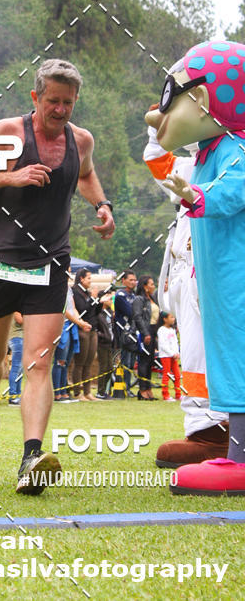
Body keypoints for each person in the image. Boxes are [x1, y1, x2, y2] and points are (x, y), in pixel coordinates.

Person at [0, 58, 115, 493]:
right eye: (52, 101)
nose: (60, 109)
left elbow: (86, 174)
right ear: (35, 97)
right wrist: (13, 176)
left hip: (50, 260)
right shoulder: (8, 133)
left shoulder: (81, 140)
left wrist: (102, 205)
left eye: (68, 102)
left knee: (39, 360)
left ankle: (31, 457)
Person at [145, 39, 245, 494]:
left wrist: (197, 196)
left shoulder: (230, 150)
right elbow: (161, 163)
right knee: (211, 354)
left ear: (204, 99)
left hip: (225, 276)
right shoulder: (204, 155)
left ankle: (220, 438)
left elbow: (232, 187)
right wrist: (157, 131)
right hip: (201, 274)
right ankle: (214, 437)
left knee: (225, 352)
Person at [143, 121, 228, 467]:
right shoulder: (194, 163)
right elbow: (156, 159)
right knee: (194, 354)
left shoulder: (230, 158)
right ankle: (204, 429)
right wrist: (159, 127)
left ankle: (214, 432)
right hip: (186, 275)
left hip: (212, 273)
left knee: (203, 355)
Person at [71, 268, 101, 401]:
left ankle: (88, 392)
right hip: (82, 330)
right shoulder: (75, 292)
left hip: (93, 329)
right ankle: (77, 392)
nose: (90, 281)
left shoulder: (87, 293)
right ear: (81, 279)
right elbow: (82, 310)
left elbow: (94, 311)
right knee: (80, 362)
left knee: (89, 362)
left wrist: (98, 301)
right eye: (88, 278)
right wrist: (92, 299)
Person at [113, 269, 138, 395]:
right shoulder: (120, 296)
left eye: (135, 280)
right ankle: (123, 387)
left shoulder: (134, 296)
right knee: (125, 361)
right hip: (123, 332)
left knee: (131, 361)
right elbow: (131, 312)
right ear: (123, 280)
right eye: (131, 280)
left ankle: (128, 387)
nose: (133, 282)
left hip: (133, 332)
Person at [133, 275, 157, 400]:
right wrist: (145, 333)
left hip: (153, 331)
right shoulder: (139, 299)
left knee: (150, 361)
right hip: (145, 331)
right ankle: (142, 390)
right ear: (145, 286)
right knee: (144, 361)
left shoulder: (152, 298)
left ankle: (148, 388)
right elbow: (138, 317)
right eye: (151, 284)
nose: (153, 286)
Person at [95, 289, 115, 399]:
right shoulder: (98, 313)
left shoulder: (110, 312)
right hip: (102, 343)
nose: (111, 300)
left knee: (110, 368)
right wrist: (102, 336)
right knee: (103, 367)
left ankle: (105, 390)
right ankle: (100, 391)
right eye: (109, 298)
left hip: (109, 343)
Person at [157, 311, 182, 402]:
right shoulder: (161, 330)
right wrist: (171, 353)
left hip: (174, 356)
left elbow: (175, 342)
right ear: (165, 319)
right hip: (165, 355)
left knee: (177, 375)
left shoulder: (172, 330)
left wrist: (177, 352)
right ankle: (165, 395)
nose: (173, 319)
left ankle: (178, 394)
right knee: (167, 374)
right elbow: (163, 345)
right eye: (171, 317)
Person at [7, 312, 23, 405]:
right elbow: (20, 320)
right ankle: (13, 395)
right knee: (16, 367)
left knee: (20, 369)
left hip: (21, 337)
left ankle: (17, 394)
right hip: (16, 338)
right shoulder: (16, 308)